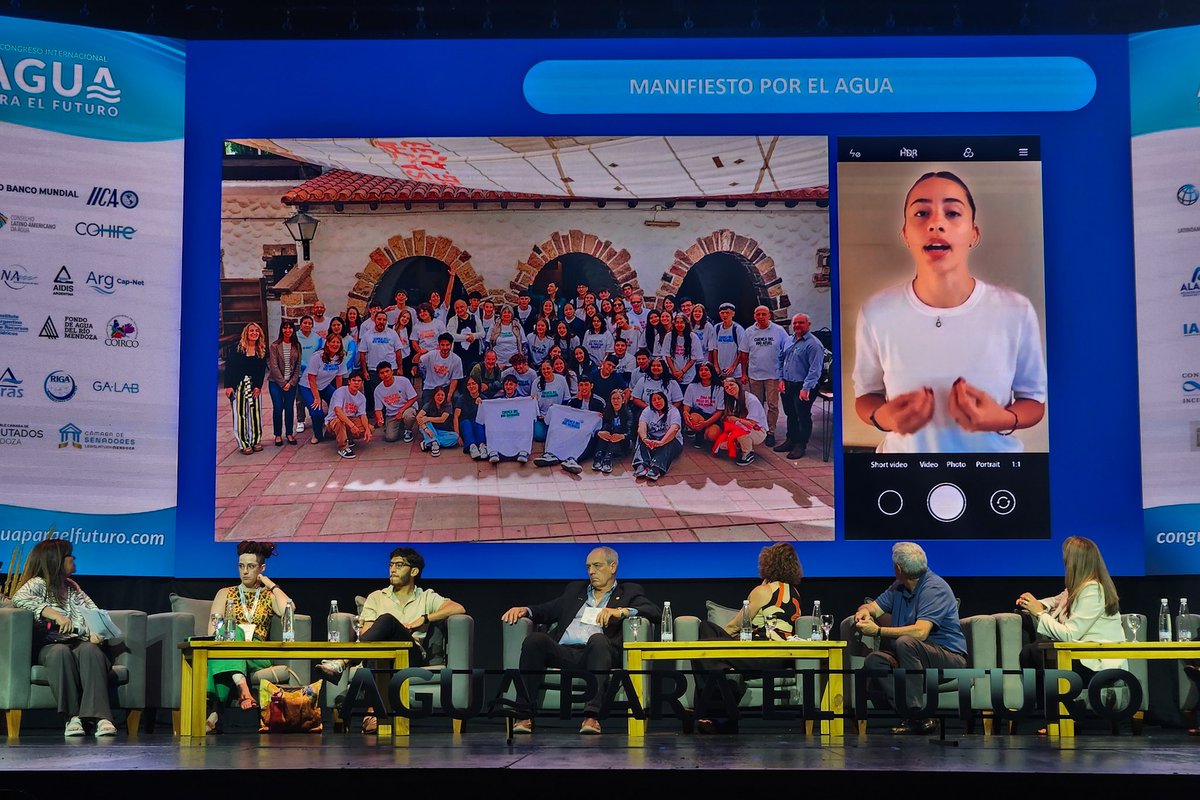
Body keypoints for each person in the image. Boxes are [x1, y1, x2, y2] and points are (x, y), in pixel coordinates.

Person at [851, 170, 1048, 453]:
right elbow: (866, 395)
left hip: (992, 473)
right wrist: (885, 417)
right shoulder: (877, 311)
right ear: (905, 234)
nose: (936, 223)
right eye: (921, 213)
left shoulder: (1015, 310)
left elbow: (1034, 402)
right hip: (903, 471)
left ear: (973, 233)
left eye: (953, 213)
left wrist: (1001, 419)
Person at [501, 547, 660, 735]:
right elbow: (548, 609)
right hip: (565, 652)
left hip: (598, 652)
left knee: (598, 640)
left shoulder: (629, 591)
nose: (591, 571)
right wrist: (525, 610)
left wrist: (621, 611)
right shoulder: (576, 590)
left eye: (597, 566)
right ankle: (523, 715)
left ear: (613, 567)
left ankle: (591, 717)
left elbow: (654, 611)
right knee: (534, 640)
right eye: (588, 567)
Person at [318, 547, 466, 733]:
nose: (392, 569)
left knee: (387, 619)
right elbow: (366, 632)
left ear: (414, 571)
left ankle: (344, 665)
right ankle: (375, 711)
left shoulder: (427, 596)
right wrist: (388, 628)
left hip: (410, 655)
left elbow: (458, 608)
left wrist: (425, 618)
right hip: (378, 653)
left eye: (399, 565)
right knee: (384, 628)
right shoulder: (377, 597)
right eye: (390, 565)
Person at [854, 542, 967, 735]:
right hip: (911, 656)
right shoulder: (899, 587)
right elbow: (875, 607)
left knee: (906, 641)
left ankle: (917, 714)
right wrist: (864, 612)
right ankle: (915, 716)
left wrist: (878, 631)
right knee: (875, 661)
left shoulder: (934, 588)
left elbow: (921, 632)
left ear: (898, 569)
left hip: (947, 656)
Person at [11, 539, 121, 737]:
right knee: (60, 652)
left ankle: (101, 717)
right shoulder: (39, 583)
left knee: (90, 650)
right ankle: (72, 717)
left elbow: (93, 612)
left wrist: (97, 633)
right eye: (70, 555)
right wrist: (56, 615)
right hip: (51, 645)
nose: (74, 558)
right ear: (57, 560)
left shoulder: (72, 588)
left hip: (79, 642)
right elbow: (20, 598)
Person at [692, 543, 804, 733]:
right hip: (782, 658)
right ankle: (727, 675)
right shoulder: (795, 592)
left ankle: (723, 705)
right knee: (713, 653)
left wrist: (718, 644)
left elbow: (736, 626)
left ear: (767, 564)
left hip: (762, 653)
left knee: (705, 636)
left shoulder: (763, 591)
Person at [1015, 536, 1126, 721]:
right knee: (1030, 651)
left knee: (1036, 650)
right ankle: (1050, 713)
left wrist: (1039, 613)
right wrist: (1031, 604)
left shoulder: (1093, 590)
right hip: (1079, 659)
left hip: (1096, 665)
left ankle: (1062, 716)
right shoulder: (1075, 589)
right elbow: (1054, 601)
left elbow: (1070, 634)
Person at [205, 541, 291, 733]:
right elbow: (213, 631)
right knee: (231, 629)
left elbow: (289, 610)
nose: (244, 571)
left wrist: (270, 584)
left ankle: (216, 711)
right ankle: (243, 689)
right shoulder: (225, 593)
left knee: (233, 634)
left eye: (251, 566)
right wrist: (233, 634)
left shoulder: (268, 595)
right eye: (241, 566)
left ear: (261, 568)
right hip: (228, 647)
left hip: (257, 652)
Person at [775, 312, 825, 460]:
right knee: (790, 414)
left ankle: (800, 445)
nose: (797, 325)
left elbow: (815, 369)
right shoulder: (788, 340)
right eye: (795, 323)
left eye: (801, 323)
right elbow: (780, 359)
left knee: (802, 416)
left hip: (803, 387)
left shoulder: (813, 344)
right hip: (787, 384)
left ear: (808, 325)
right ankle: (790, 440)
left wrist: (806, 388)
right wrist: (781, 379)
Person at [742, 305, 788, 447]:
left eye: (763, 314)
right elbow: (744, 354)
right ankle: (758, 429)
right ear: (754, 316)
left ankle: (771, 432)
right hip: (755, 375)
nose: (761, 317)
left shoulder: (779, 331)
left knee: (773, 405)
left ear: (769, 315)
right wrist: (744, 373)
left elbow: (787, 350)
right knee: (756, 404)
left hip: (773, 375)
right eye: (758, 314)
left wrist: (783, 374)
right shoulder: (749, 332)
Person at [224, 322, 268, 455]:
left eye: (256, 331)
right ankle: (243, 443)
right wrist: (229, 386)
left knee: (255, 414)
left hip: (253, 385)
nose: (254, 333)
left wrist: (258, 386)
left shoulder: (261, 350)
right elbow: (229, 368)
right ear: (246, 333)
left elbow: (261, 371)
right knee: (240, 414)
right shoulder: (237, 349)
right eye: (251, 331)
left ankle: (255, 440)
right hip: (239, 385)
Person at [302, 333, 348, 444]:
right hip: (308, 386)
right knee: (317, 412)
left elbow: (339, 377)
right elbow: (311, 378)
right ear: (327, 343)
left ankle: (333, 428)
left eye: (338, 342)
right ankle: (318, 434)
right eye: (333, 342)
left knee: (340, 406)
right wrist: (317, 398)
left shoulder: (341, 357)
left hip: (325, 386)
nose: (335, 344)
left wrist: (339, 395)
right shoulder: (317, 356)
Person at [359, 310, 405, 419]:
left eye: (384, 320)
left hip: (391, 369)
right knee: (376, 394)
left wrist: (400, 368)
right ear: (375, 320)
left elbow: (398, 351)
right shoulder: (367, 335)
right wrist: (365, 371)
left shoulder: (392, 333)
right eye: (379, 319)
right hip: (373, 370)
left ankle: (391, 415)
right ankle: (377, 417)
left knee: (390, 393)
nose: (382, 322)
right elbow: (362, 353)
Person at [714, 377, 769, 466]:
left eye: (731, 385)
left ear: (738, 384)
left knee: (741, 434)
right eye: (726, 388)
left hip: (758, 430)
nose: (730, 388)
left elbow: (752, 423)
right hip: (744, 427)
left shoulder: (751, 399)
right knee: (722, 445)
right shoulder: (733, 400)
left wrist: (736, 420)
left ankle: (748, 453)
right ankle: (740, 445)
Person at [632, 390, 683, 481]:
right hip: (652, 442)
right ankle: (641, 464)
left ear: (665, 399)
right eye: (654, 400)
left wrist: (661, 442)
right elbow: (641, 426)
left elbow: (674, 429)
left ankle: (656, 468)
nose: (657, 402)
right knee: (641, 436)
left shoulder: (673, 411)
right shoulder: (647, 411)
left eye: (659, 398)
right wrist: (645, 439)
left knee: (670, 441)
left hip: (670, 442)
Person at [267, 319, 302, 447]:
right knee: (278, 408)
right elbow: (274, 366)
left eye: (290, 328)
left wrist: (291, 382)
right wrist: (283, 383)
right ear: (281, 330)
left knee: (289, 408)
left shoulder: (297, 345)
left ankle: (289, 433)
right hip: (276, 383)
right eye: (285, 328)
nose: (288, 330)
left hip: (291, 383)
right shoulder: (275, 346)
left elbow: (297, 365)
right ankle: (277, 434)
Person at [325, 372, 372, 459]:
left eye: (359, 381)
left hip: (350, 419)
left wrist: (367, 429)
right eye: (354, 380)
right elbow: (338, 411)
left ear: (362, 383)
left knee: (369, 428)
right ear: (349, 382)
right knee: (339, 422)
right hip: (334, 420)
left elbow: (363, 415)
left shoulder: (361, 397)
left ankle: (348, 438)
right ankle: (342, 447)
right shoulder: (340, 392)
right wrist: (352, 426)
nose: (356, 383)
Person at [373, 361, 418, 443]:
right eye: (382, 373)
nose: (385, 374)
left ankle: (408, 430)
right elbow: (378, 409)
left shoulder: (403, 381)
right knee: (390, 437)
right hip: (392, 414)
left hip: (407, 408)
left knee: (409, 415)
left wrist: (401, 411)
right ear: (379, 375)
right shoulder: (378, 390)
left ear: (392, 371)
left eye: (387, 371)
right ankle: (399, 426)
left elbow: (414, 397)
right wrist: (379, 418)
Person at [682, 361, 725, 448]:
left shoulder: (719, 389)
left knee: (712, 435)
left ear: (712, 372)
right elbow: (687, 405)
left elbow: (720, 411)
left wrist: (706, 423)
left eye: (706, 370)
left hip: (713, 417)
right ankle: (699, 434)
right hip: (698, 414)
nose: (703, 372)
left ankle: (706, 433)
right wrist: (685, 413)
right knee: (692, 418)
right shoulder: (692, 386)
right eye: (701, 370)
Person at [592, 388, 632, 473]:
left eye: (618, 398)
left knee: (617, 429)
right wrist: (599, 433)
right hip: (607, 440)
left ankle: (608, 458)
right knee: (606, 426)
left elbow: (631, 432)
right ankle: (598, 455)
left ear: (623, 401)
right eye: (613, 399)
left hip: (621, 442)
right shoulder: (607, 411)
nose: (616, 401)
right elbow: (598, 428)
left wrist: (622, 436)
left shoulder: (628, 413)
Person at [419, 333, 464, 406]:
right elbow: (417, 361)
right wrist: (419, 354)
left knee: (456, 397)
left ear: (451, 345)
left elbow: (455, 379)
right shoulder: (431, 354)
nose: (445, 347)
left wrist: (450, 394)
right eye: (442, 345)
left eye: (447, 345)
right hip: (431, 386)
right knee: (425, 405)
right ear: (439, 345)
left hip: (446, 386)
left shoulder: (457, 359)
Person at [294, 314, 321, 435]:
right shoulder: (296, 337)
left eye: (309, 323)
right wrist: (303, 365)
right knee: (300, 397)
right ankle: (300, 420)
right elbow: (294, 353)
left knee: (314, 395)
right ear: (301, 324)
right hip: (300, 371)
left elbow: (320, 351)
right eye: (305, 323)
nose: (307, 325)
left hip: (314, 372)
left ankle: (315, 416)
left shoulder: (316, 337)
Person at [532, 359, 571, 442]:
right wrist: (540, 416)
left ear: (552, 369)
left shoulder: (561, 379)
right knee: (539, 436)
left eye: (548, 368)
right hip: (542, 417)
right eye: (543, 369)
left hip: (558, 416)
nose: (546, 371)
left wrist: (560, 414)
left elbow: (566, 399)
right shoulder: (536, 382)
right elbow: (533, 403)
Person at [708, 302, 747, 382]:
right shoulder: (717, 328)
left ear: (733, 314)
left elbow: (742, 350)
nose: (725, 315)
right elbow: (715, 348)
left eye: (727, 313)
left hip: (735, 372)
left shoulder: (738, 329)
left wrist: (733, 367)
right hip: (720, 370)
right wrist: (716, 365)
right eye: (722, 313)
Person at [416, 386, 459, 457]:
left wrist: (428, 418)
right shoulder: (428, 405)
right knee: (425, 422)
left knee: (455, 437)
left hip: (443, 431)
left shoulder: (448, 405)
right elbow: (418, 417)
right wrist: (426, 429)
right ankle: (434, 444)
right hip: (431, 429)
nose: (440, 397)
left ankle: (430, 442)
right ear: (434, 396)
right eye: (438, 395)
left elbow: (442, 419)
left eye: (442, 395)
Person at [665, 313, 704, 389]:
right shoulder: (669, 336)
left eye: (682, 322)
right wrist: (674, 372)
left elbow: (693, 358)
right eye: (677, 322)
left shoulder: (693, 337)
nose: (679, 325)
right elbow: (667, 356)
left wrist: (682, 372)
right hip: (673, 373)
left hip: (689, 374)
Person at [455, 376, 488, 459]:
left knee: (478, 422)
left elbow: (488, 417)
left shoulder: (484, 398)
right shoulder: (461, 398)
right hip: (466, 425)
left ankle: (482, 446)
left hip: (478, 426)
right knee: (466, 423)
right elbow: (456, 417)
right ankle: (472, 447)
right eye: (469, 384)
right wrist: (457, 436)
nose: (471, 386)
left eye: (474, 383)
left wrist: (482, 405)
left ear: (478, 385)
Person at [446, 298, 481, 373]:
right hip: (458, 354)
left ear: (466, 307)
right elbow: (451, 335)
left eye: (461, 307)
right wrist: (466, 338)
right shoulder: (452, 320)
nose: (459, 309)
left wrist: (474, 336)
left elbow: (482, 333)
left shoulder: (475, 318)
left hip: (473, 354)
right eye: (457, 308)